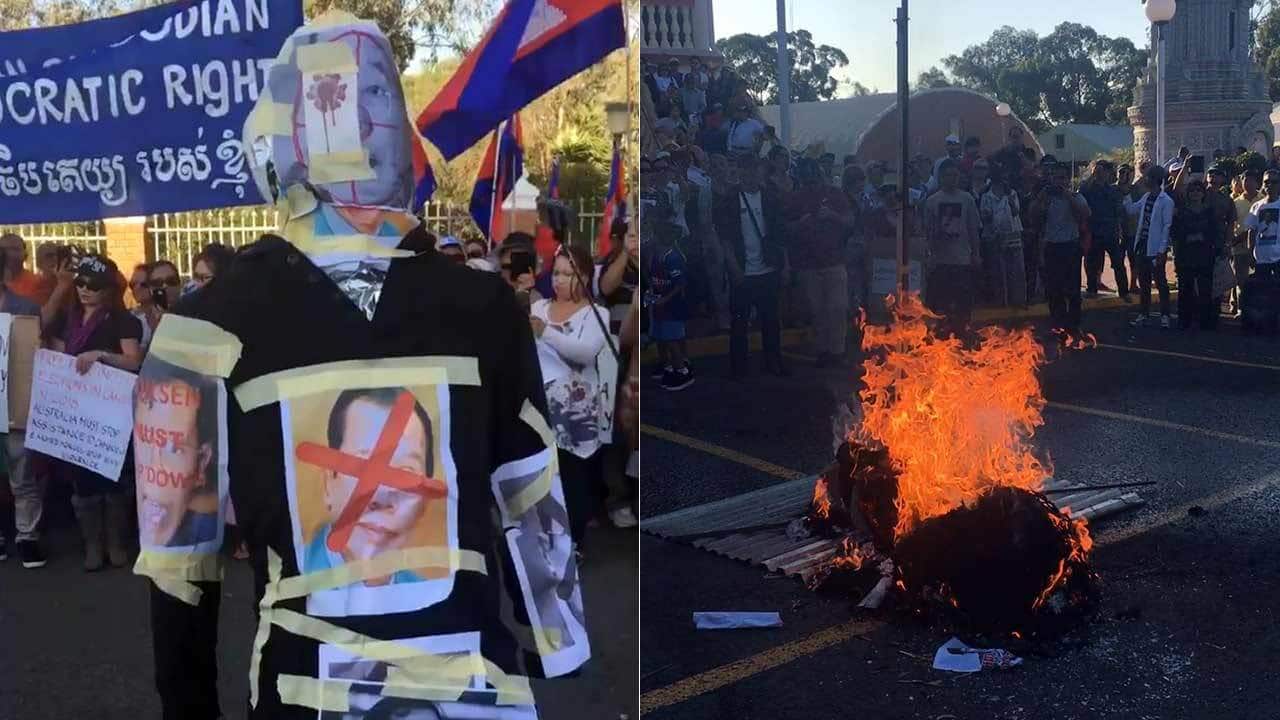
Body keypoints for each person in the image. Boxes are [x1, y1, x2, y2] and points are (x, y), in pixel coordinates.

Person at [139, 14, 585, 719]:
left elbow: (179, 567)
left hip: (303, 692)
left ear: (275, 137)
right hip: (475, 689)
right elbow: (530, 497)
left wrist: (188, 707)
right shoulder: (487, 304)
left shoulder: (197, 327)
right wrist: (556, 642)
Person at [47, 254, 143, 570]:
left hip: (112, 414)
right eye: (81, 283)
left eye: (94, 286)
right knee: (83, 483)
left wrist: (101, 355)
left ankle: (115, 543)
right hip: (76, 414)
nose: (85, 290)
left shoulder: (123, 321)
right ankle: (92, 544)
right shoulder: (66, 318)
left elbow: (133, 361)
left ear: (108, 290)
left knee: (115, 481)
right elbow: (54, 353)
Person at [530, 245, 610, 550]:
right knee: (544, 479)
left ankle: (574, 543)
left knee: (574, 480)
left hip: (577, 414)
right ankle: (545, 539)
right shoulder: (537, 309)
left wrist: (546, 332)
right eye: (557, 273)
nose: (559, 280)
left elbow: (586, 352)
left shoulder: (597, 314)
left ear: (585, 277)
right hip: (541, 408)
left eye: (568, 274)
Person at [713, 155, 790, 378]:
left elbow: (780, 235)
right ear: (741, 172)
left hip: (768, 269)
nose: (752, 175)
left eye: (756, 170)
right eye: (747, 171)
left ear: (761, 173)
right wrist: (734, 267)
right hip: (743, 270)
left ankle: (773, 362)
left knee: (771, 321)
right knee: (739, 323)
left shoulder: (770, 198)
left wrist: (785, 266)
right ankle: (739, 368)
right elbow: (725, 238)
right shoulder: (729, 200)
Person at [134, 361, 221, 548]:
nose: (151, 483)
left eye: (174, 450)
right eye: (145, 441)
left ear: (203, 460)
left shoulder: (203, 530)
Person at [0, 248, 46, 568]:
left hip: (17, 402)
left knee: (23, 475)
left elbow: (36, 356)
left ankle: (27, 536)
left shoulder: (27, 309)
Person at [788, 157, 853, 366]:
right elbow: (785, 230)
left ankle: (838, 350)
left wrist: (832, 215)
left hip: (834, 260)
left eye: (814, 178)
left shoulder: (835, 194)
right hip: (808, 264)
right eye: (808, 179)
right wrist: (801, 223)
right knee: (817, 310)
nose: (812, 183)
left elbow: (849, 222)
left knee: (837, 307)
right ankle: (823, 351)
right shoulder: (796, 198)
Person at [1029, 162, 1091, 337]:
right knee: (1054, 289)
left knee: (1073, 290)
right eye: (1055, 178)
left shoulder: (1075, 196)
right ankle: (1058, 324)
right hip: (1052, 247)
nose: (1059, 181)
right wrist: (1041, 200)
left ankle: (1074, 325)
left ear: (1068, 180)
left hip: (1070, 246)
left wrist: (1067, 196)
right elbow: (1032, 215)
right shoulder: (1046, 198)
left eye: (1062, 178)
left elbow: (1085, 213)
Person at [923, 159, 981, 336]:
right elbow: (927, 232)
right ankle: (941, 338)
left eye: (955, 175)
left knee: (963, 303)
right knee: (940, 303)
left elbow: (973, 228)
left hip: (962, 259)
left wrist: (976, 254)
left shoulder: (967, 199)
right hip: (940, 261)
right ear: (941, 177)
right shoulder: (932, 201)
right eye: (948, 175)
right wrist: (929, 256)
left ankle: (962, 335)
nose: (952, 179)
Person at [1126, 166, 1176, 327]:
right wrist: (1126, 193)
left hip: (1155, 248)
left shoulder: (1166, 201)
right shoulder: (1146, 197)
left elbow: (1166, 226)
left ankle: (1165, 316)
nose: (1145, 179)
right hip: (1142, 245)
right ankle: (1143, 314)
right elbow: (1131, 210)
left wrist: (1162, 250)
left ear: (1154, 180)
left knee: (1161, 282)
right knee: (1144, 282)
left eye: (1147, 177)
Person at [1170, 179, 1222, 330]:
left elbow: (1215, 231)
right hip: (1185, 256)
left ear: (1203, 193)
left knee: (1205, 290)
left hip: (1205, 255)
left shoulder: (1209, 211)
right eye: (1192, 190)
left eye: (1198, 190)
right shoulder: (1181, 212)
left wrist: (1204, 238)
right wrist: (1187, 238)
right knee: (1185, 289)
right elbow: (1175, 232)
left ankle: (1205, 321)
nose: (1195, 193)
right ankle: (1184, 320)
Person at [1080, 160, 1128, 299]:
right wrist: (1092, 175)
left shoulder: (1112, 190)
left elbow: (1118, 211)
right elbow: (1081, 192)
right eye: (1099, 171)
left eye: (1104, 171)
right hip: (1093, 231)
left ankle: (1123, 291)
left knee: (1118, 263)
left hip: (1110, 231)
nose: (1102, 174)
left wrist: (1119, 229)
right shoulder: (1088, 188)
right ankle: (1091, 289)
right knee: (1092, 262)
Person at [979, 172, 1027, 307]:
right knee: (997, 272)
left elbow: (1015, 212)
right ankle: (1000, 303)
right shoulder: (986, 196)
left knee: (1016, 271)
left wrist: (1010, 199)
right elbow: (984, 218)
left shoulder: (1012, 193)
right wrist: (988, 215)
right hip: (994, 237)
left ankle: (1017, 302)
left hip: (1013, 236)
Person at [1231, 169, 1263, 313]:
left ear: (1257, 182)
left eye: (1251, 180)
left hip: (1261, 248)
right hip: (1240, 247)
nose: (1247, 183)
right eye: (1244, 180)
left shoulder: (1264, 200)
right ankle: (1241, 310)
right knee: (1241, 281)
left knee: (1261, 281)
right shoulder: (1235, 203)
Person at [0, 233, 56, 306]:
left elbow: (42, 314)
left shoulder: (39, 283)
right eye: (4, 250)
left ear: (25, 254)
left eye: (15, 249)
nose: (9, 253)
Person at [1245, 169, 1280, 279]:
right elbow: (1252, 231)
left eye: (1274, 182)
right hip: (1261, 259)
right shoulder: (1256, 206)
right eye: (1267, 182)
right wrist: (1250, 253)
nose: (1270, 185)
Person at [1116, 164, 1143, 295]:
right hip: (1117, 231)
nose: (1124, 175)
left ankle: (1133, 284)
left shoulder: (1135, 190)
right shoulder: (1112, 190)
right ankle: (1122, 286)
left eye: (1127, 173)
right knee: (1118, 261)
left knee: (1134, 259)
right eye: (1121, 172)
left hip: (1133, 230)